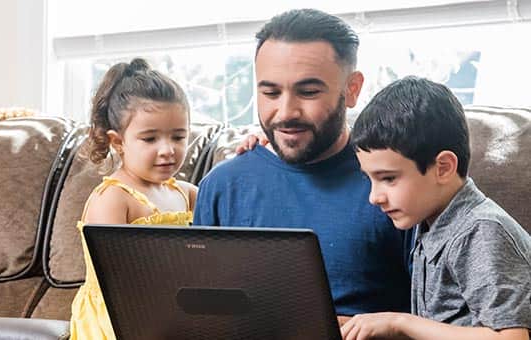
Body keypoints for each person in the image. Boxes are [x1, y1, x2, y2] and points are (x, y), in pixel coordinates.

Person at [194, 8, 413, 322]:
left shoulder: (398, 184)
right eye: (270, 92)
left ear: (352, 89)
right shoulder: (221, 186)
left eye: (308, 92)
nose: (286, 112)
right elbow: (202, 315)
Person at [339, 77, 531, 340]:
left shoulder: (481, 231)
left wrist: (399, 322)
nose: (374, 197)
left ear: (443, 168)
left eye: (388, 178)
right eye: (369, 179)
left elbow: (511, 339)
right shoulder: (430, 222)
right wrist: (361, 324)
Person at [69, 58, 198, 340]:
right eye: (150, 139)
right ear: (118, 142)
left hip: (173, 311)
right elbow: (120, 284)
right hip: (121, 318)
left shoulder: (187, 194)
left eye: (178, 136)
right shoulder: (114, 199)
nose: (168, 150)